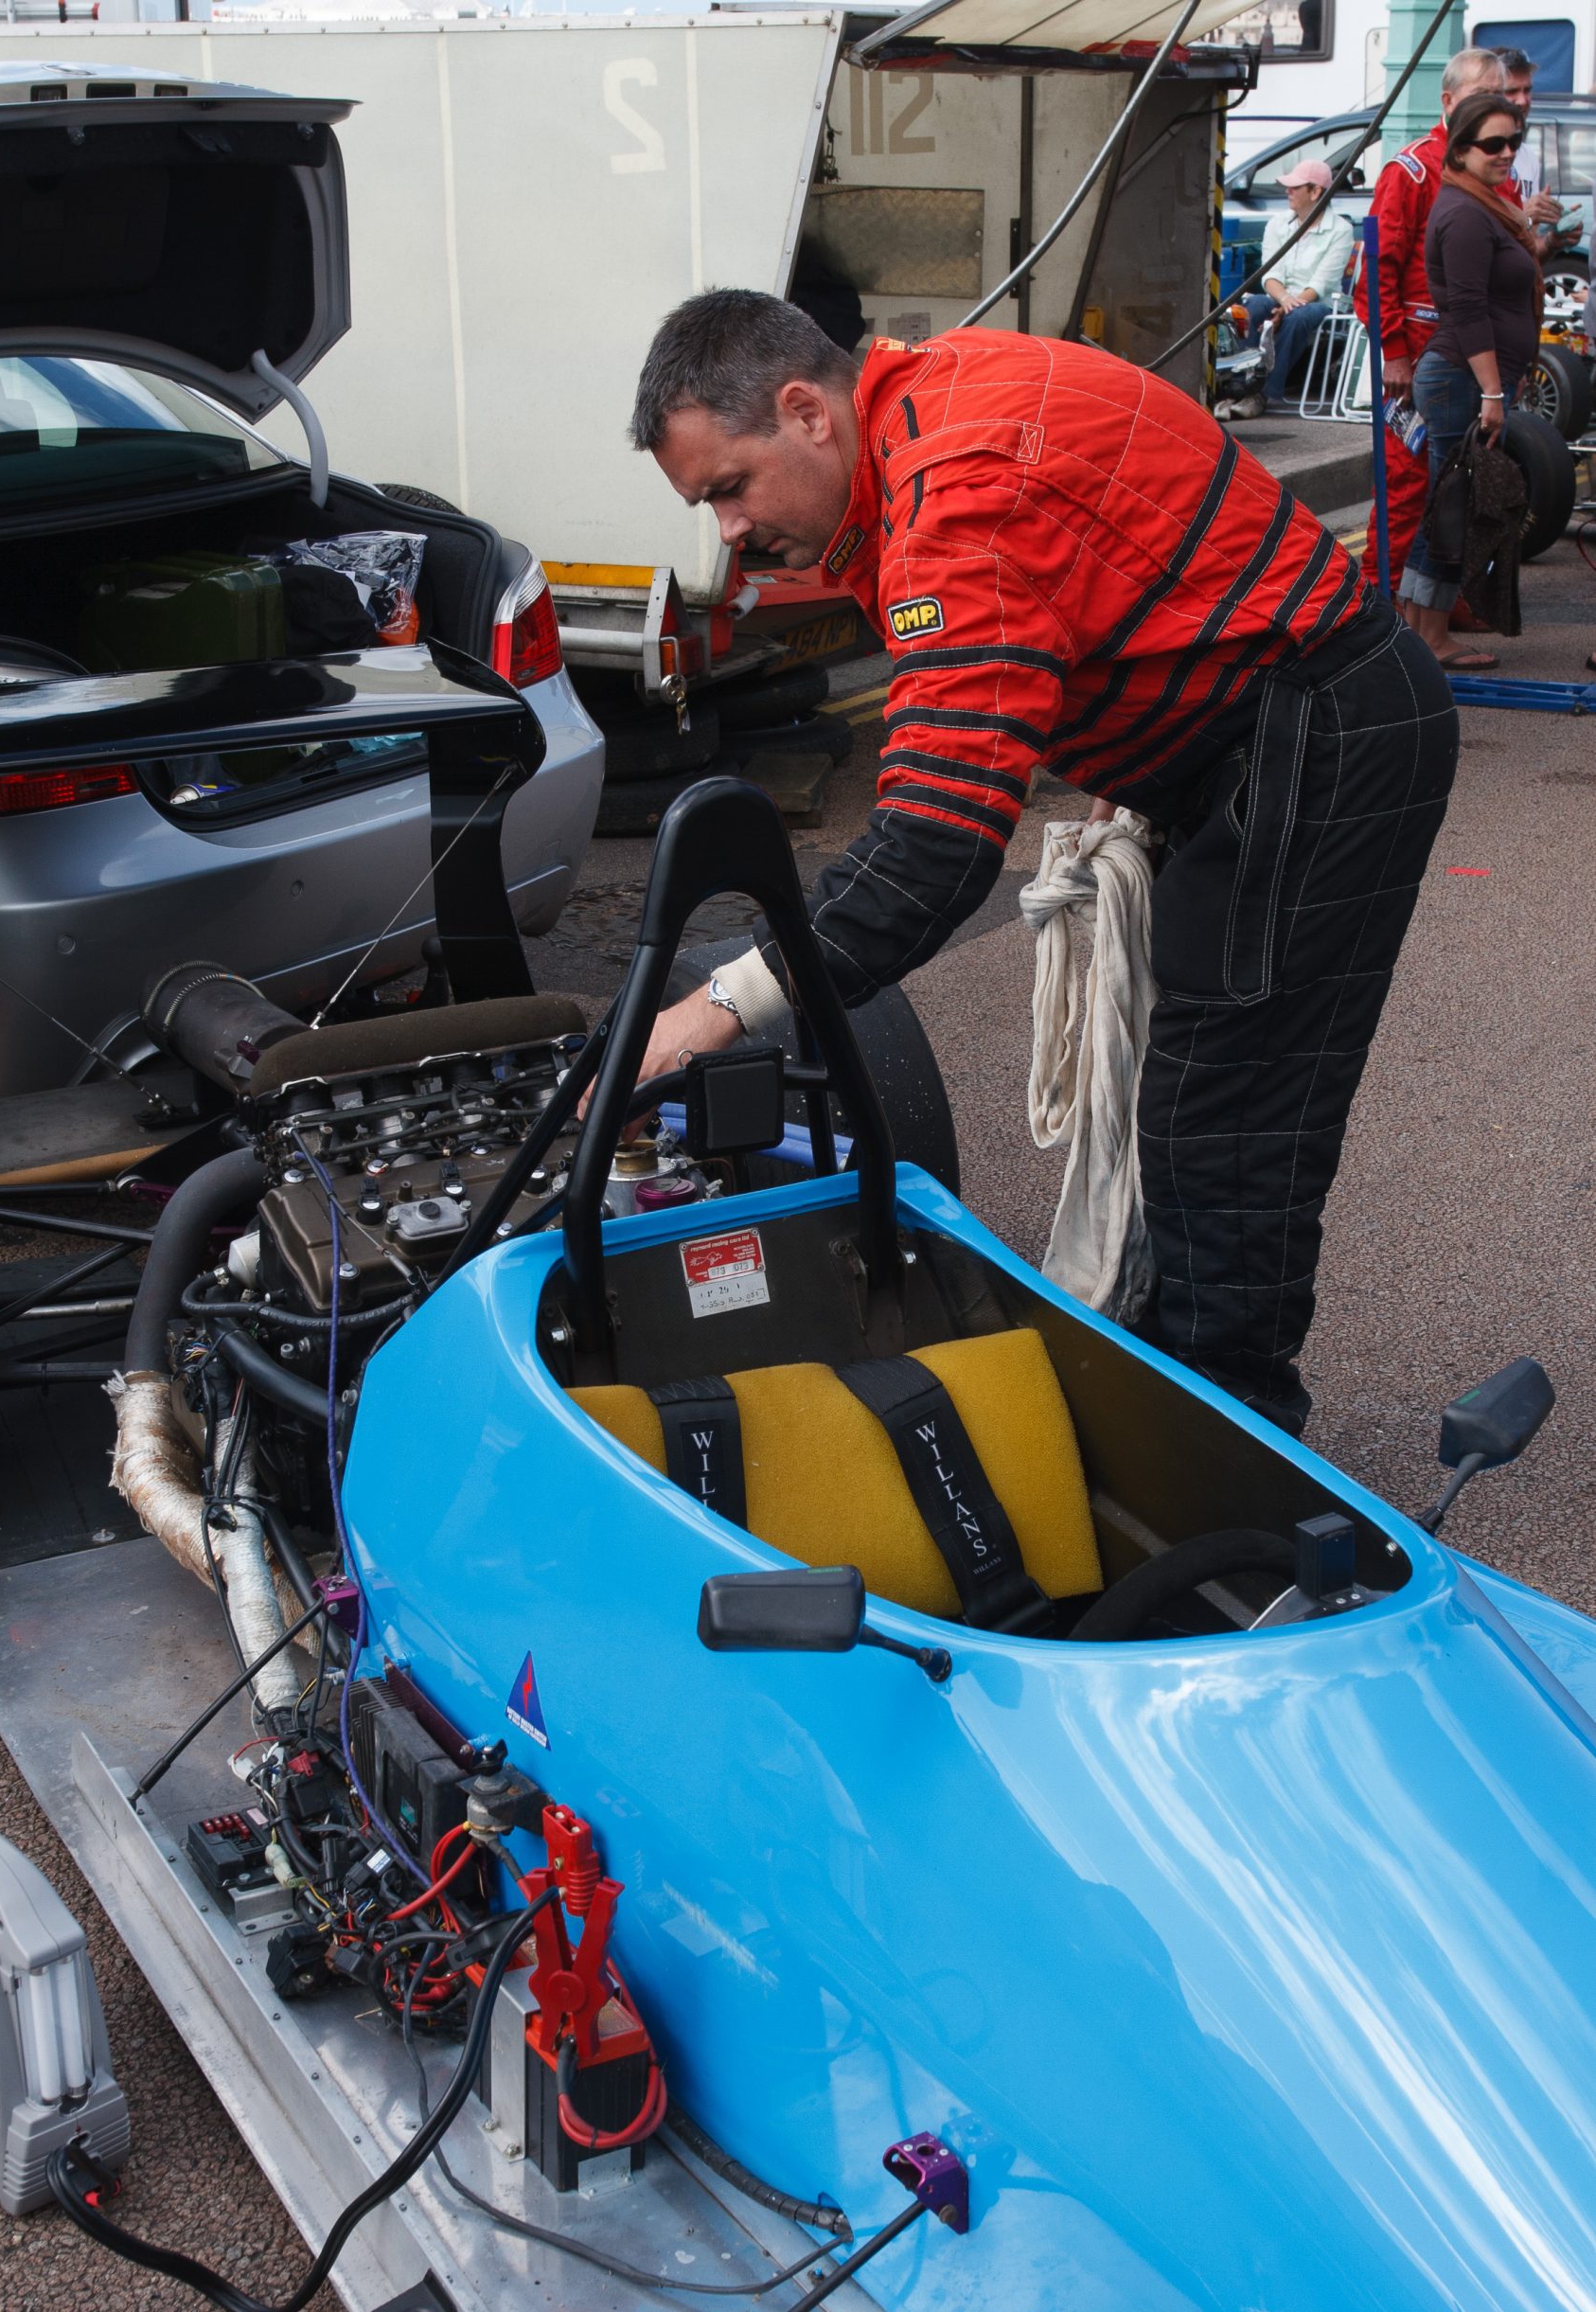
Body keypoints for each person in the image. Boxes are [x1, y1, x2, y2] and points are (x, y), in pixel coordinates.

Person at [628, 294, 1460, 1434]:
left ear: (805, 410)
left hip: (1317, 735)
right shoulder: (926, 396)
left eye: (729, 486)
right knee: (1192, 1101)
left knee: (1224, 1119)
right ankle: (1177, 1386)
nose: (726, 530)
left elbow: (936, 840)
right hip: (1264, 725)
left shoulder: (958, 489)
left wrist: (716, 1011)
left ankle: (1232, 1466)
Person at [1354, 44, 1505, 607]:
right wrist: (1392, 351)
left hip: (1475, 355)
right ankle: (1381, 609)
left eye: (1500, 95)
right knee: (1409, 485)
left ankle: (1442, 602)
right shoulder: (1413, 169)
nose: (1493, 107)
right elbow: (1374, 269)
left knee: (1465, 485)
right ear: (1448, 101)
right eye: (1480, 95)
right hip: (1419, 358)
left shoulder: (1493, 166)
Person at [1398, 92, 1543, 662]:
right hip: (1461, 377)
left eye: (1514, 141)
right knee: (1457, 506)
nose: (1507, 153)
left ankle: (1417, 629)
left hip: (1468, 376)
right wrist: (1492, 390)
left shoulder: (1488, 205)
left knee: (1448, 503)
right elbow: (1467, 308)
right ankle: (1431, 637)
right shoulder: (1462, 214)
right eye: (1493, 144)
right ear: (1460, 149)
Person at [1243, 158, 1354, 411]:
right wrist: (1283, 301)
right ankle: (1240, 385)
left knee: (1299, 317)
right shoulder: (1278, 223)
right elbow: (1269, 273)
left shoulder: (1340, 229)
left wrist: (1287, 307)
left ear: (1316, 192)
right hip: (1281, 296)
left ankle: (1265, 393)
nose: (1287, 191)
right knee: (1254, 305)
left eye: (1295, 187)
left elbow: (1321, 284)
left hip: (1319, 303)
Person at [1495, 44, 1583, 261]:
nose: (1523, 101)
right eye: (1512, 92)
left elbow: (1528, 253)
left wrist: (1554, 240)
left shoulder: (1528, 156)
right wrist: (1523, 216)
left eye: (1527, 90)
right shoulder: (1473, 156)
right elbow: (1472, 239)